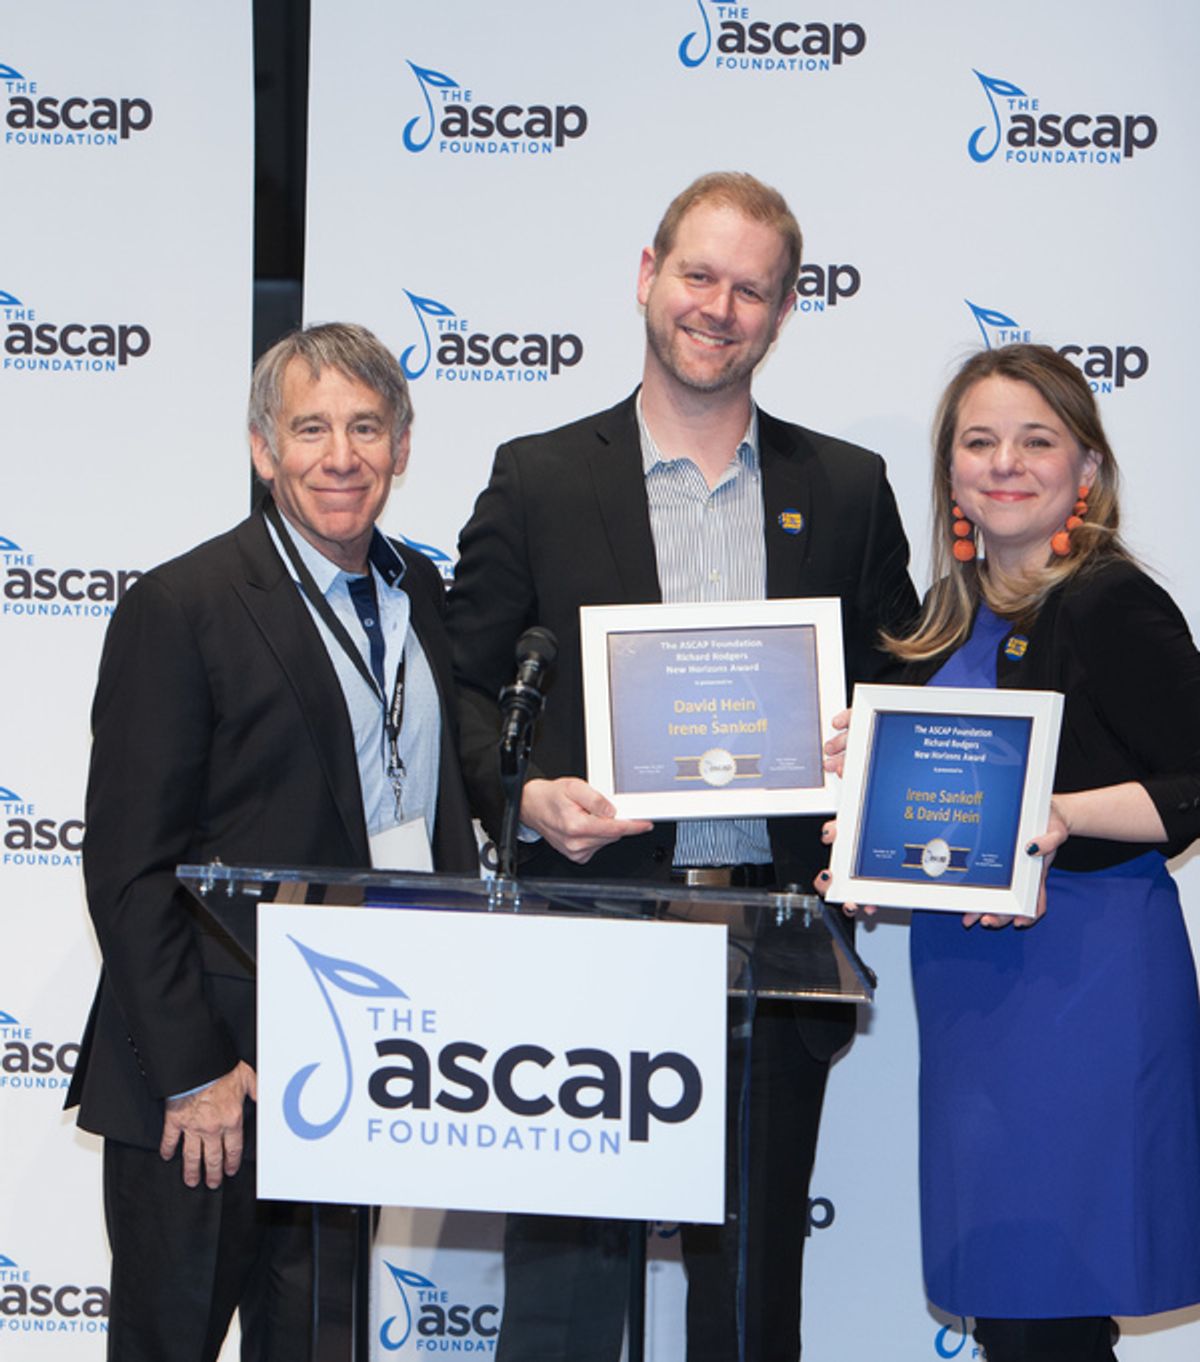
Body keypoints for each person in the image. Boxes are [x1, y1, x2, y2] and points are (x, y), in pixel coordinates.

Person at [446, 172, 917, 1362]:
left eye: (751, 288)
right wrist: (526, 795)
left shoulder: (848, 489)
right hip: (589, 942)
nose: (719, 307)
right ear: (646, 273)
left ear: (784, 310)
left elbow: (903, 691)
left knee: (750, 1305)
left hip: (774, 951)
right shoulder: (538, 477)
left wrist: (873, 765)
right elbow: (457, 684)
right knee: (560, 1297)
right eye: (699, 275)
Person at [66, 322, 478, 1362]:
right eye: (310, 429)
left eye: (366, 428)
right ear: (263, 449)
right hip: (205, 1087)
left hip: (351, 1069)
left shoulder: (420, 594)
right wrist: (193, 1070)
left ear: (403, 446)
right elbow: (128, 866)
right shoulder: (185, 604)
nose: (341, 456)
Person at [832, 343, 1200, 1362]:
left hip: (1083, 987)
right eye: (979, 441)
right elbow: (927, 816)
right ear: (949, 474)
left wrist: (1065, 816)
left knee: (1056, 1309)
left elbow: (1190, 786)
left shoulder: (1112, 602)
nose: (1005, 463)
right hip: (970, 991)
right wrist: (860, 833)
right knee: (1009, 1308)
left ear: (1088, 470)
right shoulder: (925, 636)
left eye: (1037, 441)